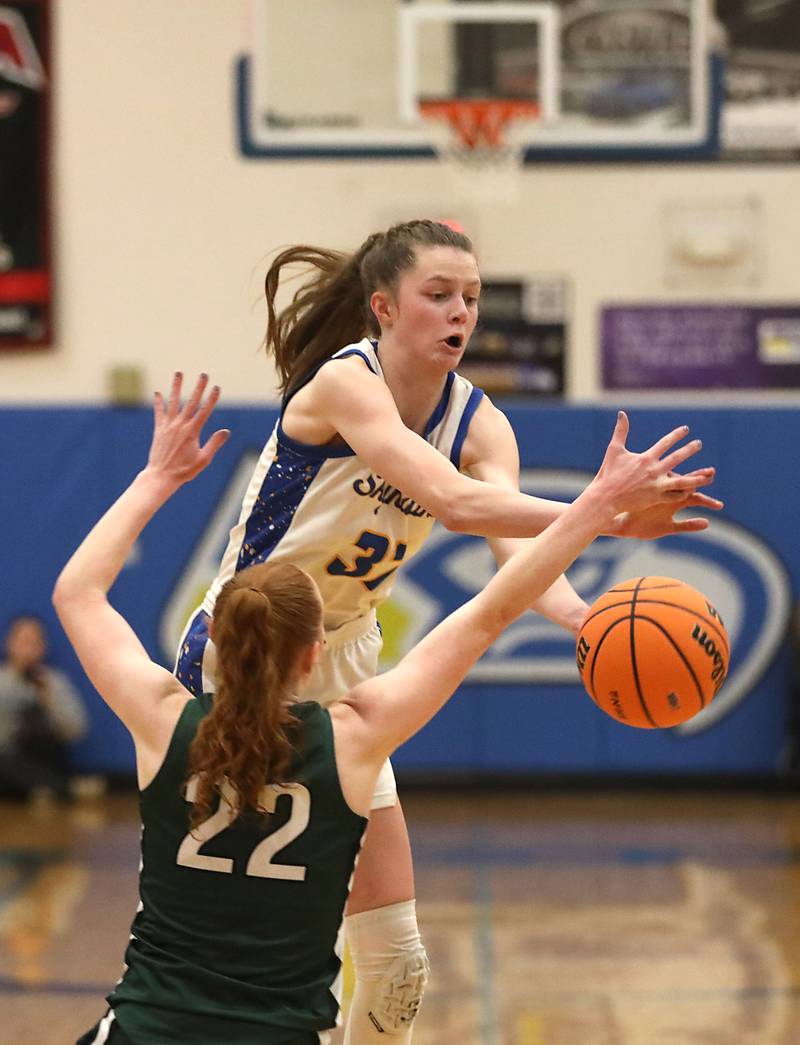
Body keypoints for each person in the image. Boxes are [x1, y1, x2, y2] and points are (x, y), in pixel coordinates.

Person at [174, 219, 721, 1042]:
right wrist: (603, 512)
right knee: (263, 949)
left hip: (346, 655)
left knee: (397, 966)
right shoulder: (344, 384)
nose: (459, 312)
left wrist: (584, 619)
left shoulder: (481, 423)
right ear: (384, 308)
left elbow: (514, 546)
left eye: (470, 296)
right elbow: (457, 505)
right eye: (438, 295)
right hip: (242, 656)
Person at [55, 375, 708, 1044]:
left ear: (215, 636)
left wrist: (156, 477)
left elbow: (78, 594)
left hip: (143, 1031)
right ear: (317, 655)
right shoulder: (353, 739)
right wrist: (599, 509)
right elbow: (492, 611)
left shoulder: (163, 720)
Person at [0, 613, 87, 801]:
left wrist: (48, 700)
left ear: (42, 646)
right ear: (9, 642)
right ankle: (58, 787)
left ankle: (45, 786)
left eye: (33, 642)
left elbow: (76, 730)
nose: (27, 648)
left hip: (45, 755)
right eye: (22, 641)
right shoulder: (2, 682)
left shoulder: (54, 683)